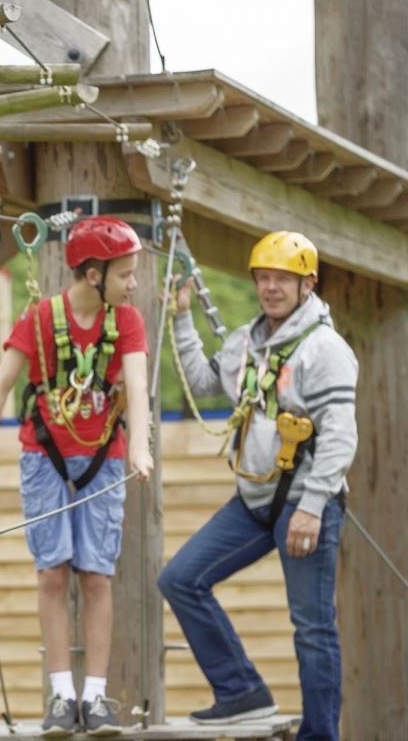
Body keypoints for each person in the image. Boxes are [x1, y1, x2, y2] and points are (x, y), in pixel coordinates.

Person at [0, 216, 153, 737]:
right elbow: (0, 388)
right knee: (53, 573)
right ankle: (62, 695)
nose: (133, 284)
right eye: (126, 274)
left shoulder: (126, 321)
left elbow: (137, 384)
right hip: (44, 456)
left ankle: (96, 696)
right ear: (93, 273)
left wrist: (143, 450)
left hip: (104, 456)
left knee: (96, 574)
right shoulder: (40, 319)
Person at [157, 231, 356, 740]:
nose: (271, 288)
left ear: (307, 284)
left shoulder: (323, 349)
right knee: (180, 578)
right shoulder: (246, 342)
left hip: (304, 499)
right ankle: (240, 689)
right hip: (254, 499)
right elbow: (203, 382)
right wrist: (182, 316)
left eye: (283, 279)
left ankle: (320, 735)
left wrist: (313, 507)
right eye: (264, 278)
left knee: (312, 628)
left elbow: (339, 437)